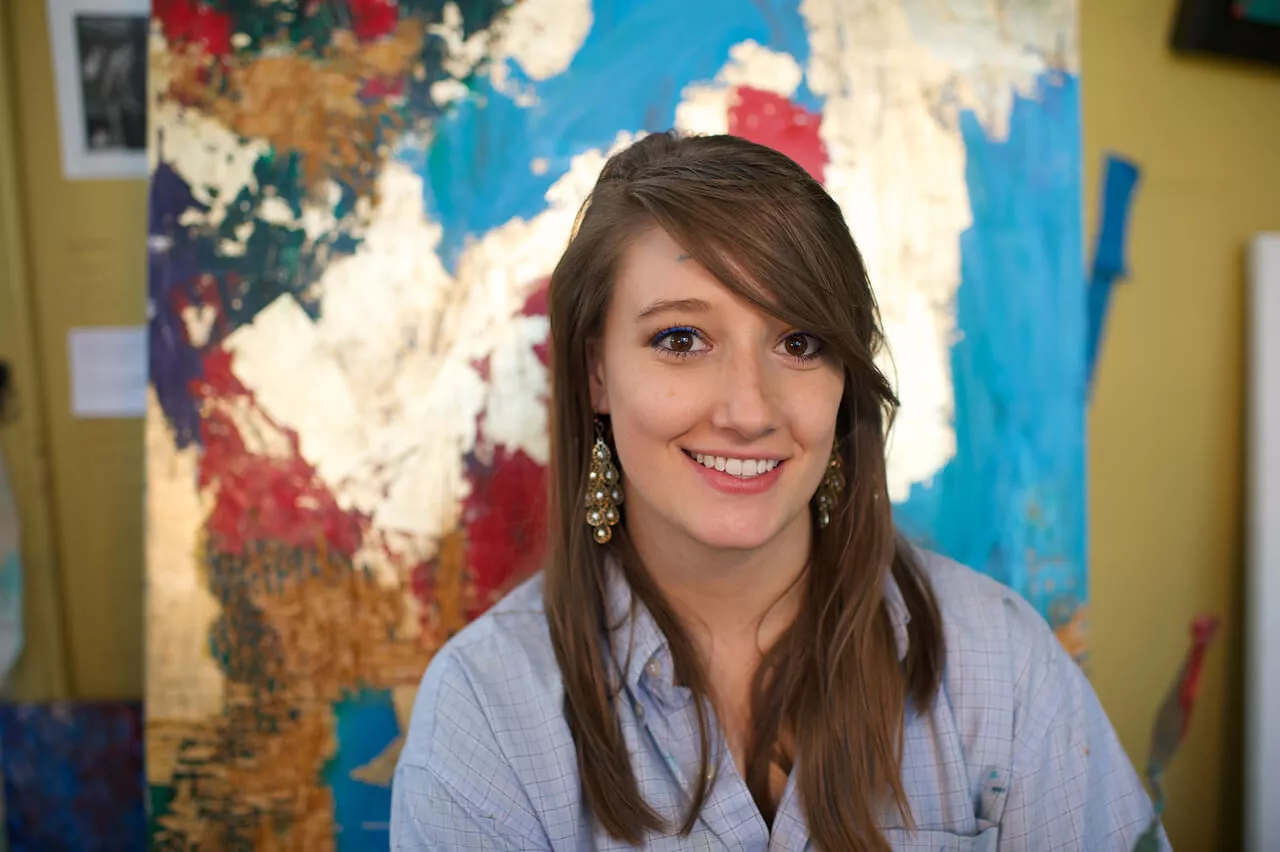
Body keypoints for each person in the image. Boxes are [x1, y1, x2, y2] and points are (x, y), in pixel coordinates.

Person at [390, 132, 1167, 851]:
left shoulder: (999, 663)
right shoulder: (486, 712)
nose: (750, 411)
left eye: (799, 343)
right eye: (681, 340)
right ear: (597, 371)